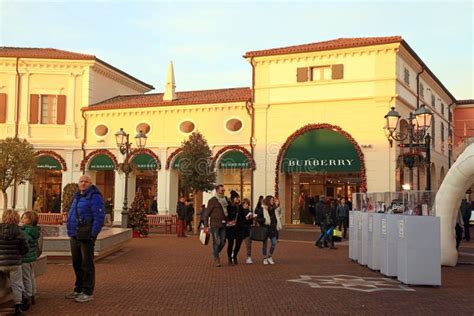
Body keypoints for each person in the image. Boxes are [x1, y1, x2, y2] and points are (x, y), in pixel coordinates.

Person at [65, 175, 105, 303]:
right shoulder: (77, 196)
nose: (83, 184)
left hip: (86, 235)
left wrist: (93, 235)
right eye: (81, 181)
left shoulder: (95, 197)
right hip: (74, 234)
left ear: (90, 183)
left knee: (87, 264)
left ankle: (87, 291)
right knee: (77, 263)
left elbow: (99, 217)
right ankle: (78, 288)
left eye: (86, 182)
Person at [0, 210, 29, 316]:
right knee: (16, 285)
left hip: (1, 263)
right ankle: (18, 308)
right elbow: (25, 248)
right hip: (15, 263)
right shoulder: (20, 231)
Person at [20, 211, 41, 311]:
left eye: (24, 218)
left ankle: (28, 296)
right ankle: (33, 294)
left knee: (26, 278)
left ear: (30, 220)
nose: (22, 220)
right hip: (32, 257)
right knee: (31, 276)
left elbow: (23, 242)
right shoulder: (35, 231)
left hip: (25, 258)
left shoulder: (25, 232)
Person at [204, 184, 228, 267]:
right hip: (215, 225)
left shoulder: (225, 200)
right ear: (217, 190)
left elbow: (227, 212)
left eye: (224, 190)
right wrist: (206, 226)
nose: (223, 191)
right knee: (216, 242)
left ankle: (215, 252)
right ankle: (217, 258)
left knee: (223, 241)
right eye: (222, 190)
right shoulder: (212, 201)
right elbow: (206, 214)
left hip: (224, 224)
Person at [256, 195, 282, 265]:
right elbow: (258, 218)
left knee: (274, 242)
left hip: (272, 228)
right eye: (271, 200)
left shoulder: (274, 209)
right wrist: (264, 220)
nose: (272, 201)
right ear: (268, 201)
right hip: (265, 228)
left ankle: (270, 256)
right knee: (265, 244)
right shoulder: (263, 209)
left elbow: (278, 216)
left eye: (273, 200)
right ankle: (264, 258)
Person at [226, 190, 241, 265]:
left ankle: (234, 255)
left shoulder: (239, 207)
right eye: (236, 198)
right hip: (230, 227)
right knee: (230, 243)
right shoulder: (229, 206)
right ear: (233, 198)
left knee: (238, 243)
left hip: (238, 227)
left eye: (238, 198)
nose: (238, 199)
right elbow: (226, 216)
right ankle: (229, 258)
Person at [240, 198, 254, 264]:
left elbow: (250, 222)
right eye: (245, 204)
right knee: (238, 244)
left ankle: (249, 257)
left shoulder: (249, 212)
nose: (247, 205)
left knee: (248, 244)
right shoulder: (240, 211)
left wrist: (251, 219)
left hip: (247, 230)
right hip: (240, 230)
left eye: (248, 204)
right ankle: (233, 255)